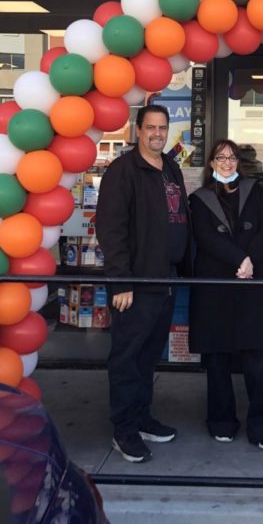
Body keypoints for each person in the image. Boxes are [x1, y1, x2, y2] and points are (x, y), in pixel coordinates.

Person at [96, 103, 192, 463]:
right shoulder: (123, 171)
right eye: (150, 127)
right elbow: (111, 229)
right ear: (138, 130)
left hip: (165, 279)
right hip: (134, 285)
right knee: (126, 359)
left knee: (148, 357)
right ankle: (124, 430)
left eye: (162, 128)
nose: (157, 133)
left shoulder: (169, 167)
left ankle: (142, 417)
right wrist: (121, 282)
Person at [189, 139, 263, 450]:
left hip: (254, 282)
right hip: (216, 287)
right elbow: (205, 238)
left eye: (232, 157)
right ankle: (221, 420)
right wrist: (238, 259)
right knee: (217, 357)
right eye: (221, 157)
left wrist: (249, 260)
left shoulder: (255, 190)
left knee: (261, 355)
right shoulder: (199, 200)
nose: (227, 162)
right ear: (212, 164)